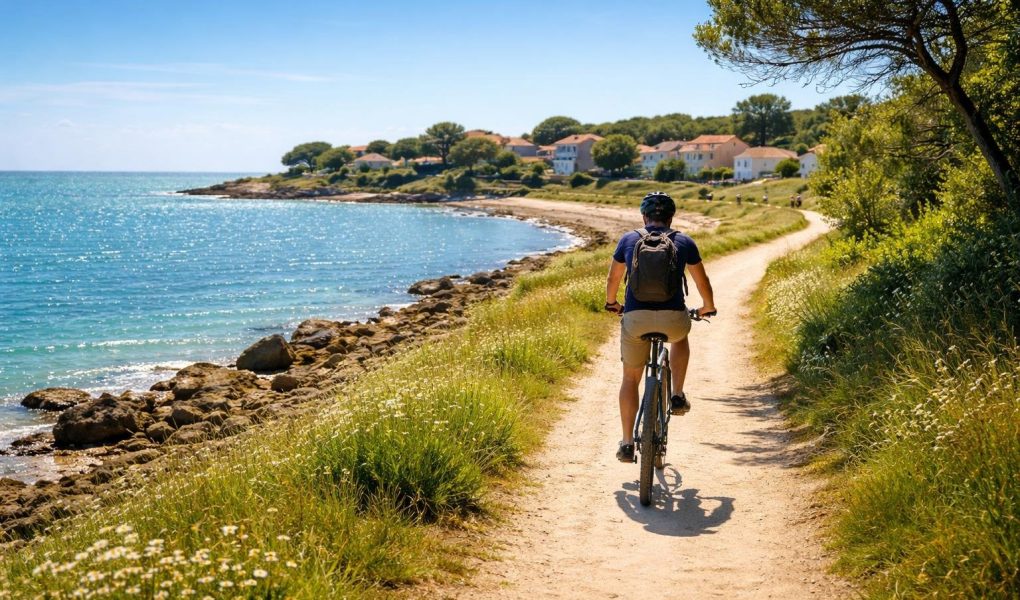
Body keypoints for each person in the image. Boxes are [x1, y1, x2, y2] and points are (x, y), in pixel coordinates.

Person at [604, 192, 716, 462]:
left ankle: (628, 443)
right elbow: (702, 282)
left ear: (644, 216)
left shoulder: (629, 239)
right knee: (681, 336)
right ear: (671, 217)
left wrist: (612, 304)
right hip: (672, 319)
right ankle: (677, 394)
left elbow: (613, 278)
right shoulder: (684, 241)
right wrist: (707, 307)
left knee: (630, 379)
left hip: (635, 318)